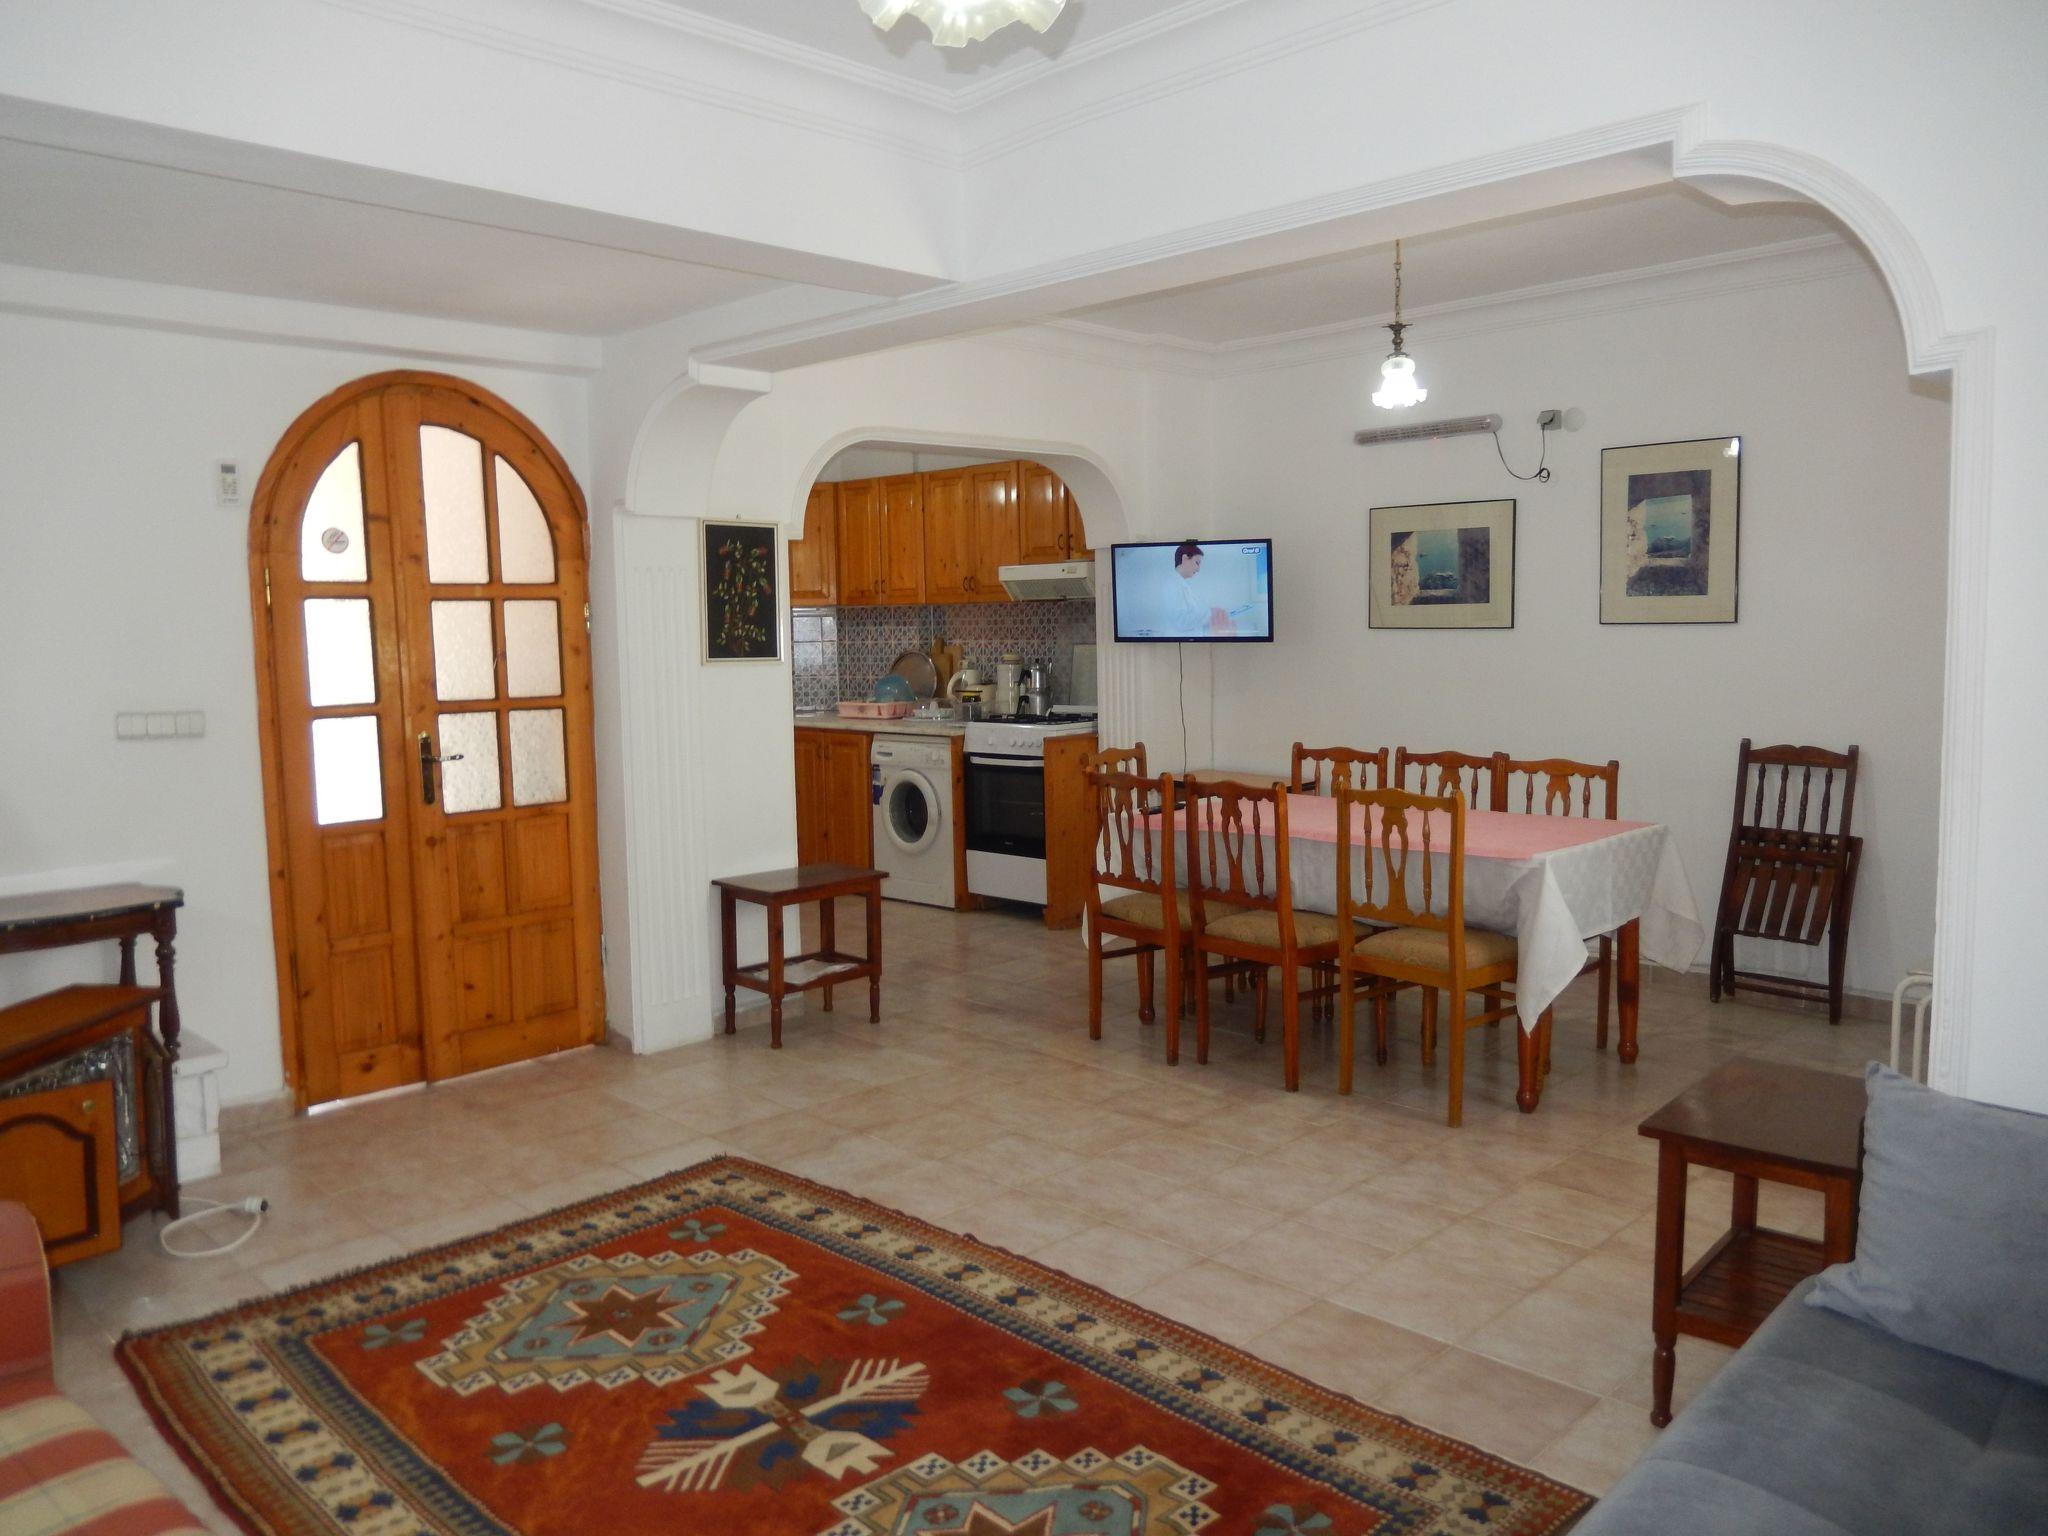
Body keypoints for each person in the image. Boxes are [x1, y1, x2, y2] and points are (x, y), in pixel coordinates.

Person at [1164, 541, 1234, 636]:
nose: (1198, 569)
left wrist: (1211, 614)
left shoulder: (1182, 585)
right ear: (1185, 559)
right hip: (1176, 641)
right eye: (1197, 563)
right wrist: (1210, 614)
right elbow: (1180, 622)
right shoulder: (1172, 584)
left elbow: (1192, 618)